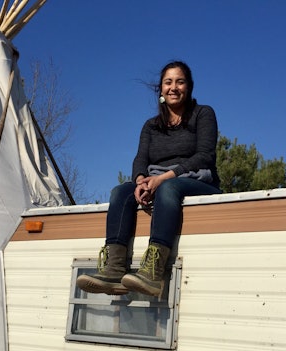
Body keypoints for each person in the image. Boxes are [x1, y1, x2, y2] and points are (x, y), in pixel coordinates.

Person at [77, 60, 221, 298]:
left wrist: (162, 179)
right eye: (168, 82)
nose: (173, 87)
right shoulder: (151, 126)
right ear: (161, 89)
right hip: (158, 181)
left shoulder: (203, 114)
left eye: (180, 81)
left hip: (197, 180)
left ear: (189, 87)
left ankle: (153, 273)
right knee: (120, 192)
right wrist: (141, 180)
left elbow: (205, 156)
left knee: (168, 188)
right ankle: (114, 269)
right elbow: (140, 159)